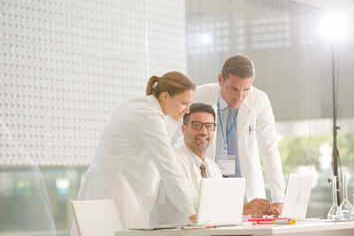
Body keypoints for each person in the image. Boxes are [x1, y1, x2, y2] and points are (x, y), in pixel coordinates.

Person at [70, 71, 197, 235]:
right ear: (165, 96)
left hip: (114, 190)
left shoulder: (141, 106)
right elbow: (169, 168)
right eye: (184, 103)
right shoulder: (149, 116)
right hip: (116, 195)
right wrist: (193, 213)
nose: (187, 110)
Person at [150, 103, 276, 227]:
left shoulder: (212, 167)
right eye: (196, 125)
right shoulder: (172, 161)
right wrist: (243, 207)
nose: (203, 131)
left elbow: (223, 207)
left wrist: (253, 213)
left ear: (214, 130)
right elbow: (192, 204)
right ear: (183, 129)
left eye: (209, 126)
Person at [188, 55, 286, 214]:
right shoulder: (198, 96)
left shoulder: (259, 100)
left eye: (245, 90)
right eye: (233, 88)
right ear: (220, 79)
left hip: (248, 195)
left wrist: (278, 198)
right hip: (209, 189)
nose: (239, 97)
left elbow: (269, 150)